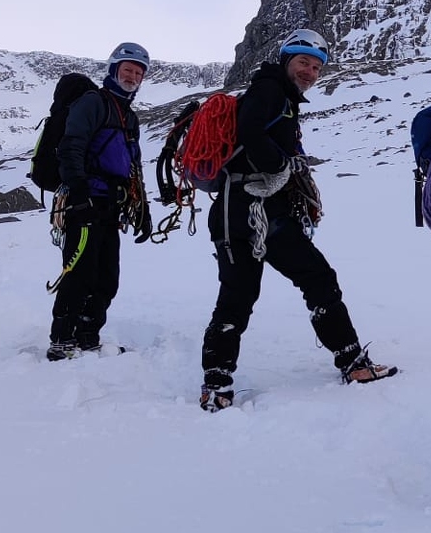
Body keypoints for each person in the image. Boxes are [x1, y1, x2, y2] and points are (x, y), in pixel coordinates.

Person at [198, 29, 395, 411]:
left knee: (245, 294)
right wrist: (280, 167)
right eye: (304, 62)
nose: (310, 72)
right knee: (308, 279)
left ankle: (217, 384)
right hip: (252, 209)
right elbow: (250, 131)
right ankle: (351, 361)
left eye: (317, 67)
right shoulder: (270, 89)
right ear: (287, 59)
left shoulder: (279, 96)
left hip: (243, 210)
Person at [47, 41, 154, 359]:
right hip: (85, 201)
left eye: (138, 73)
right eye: (128, 70)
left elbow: (133, 165)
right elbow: (71, 146)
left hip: (111, 206)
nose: (132, 77)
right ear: (113, 70)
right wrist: (79, 193)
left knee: (107, 278)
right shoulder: (93, 103)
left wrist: (143, 209)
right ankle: (61, 341)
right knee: (79, 273)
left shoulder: (129, 116)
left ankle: (87, 336)